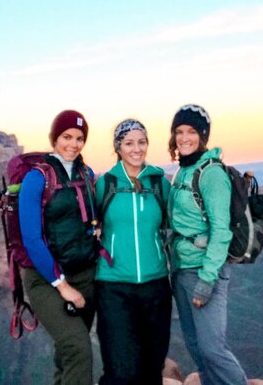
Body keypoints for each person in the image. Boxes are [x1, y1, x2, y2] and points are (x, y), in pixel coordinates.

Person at [167, 104, 248, 385]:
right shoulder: (183, 171)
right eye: (179, 131)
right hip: (181, 268)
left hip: (204, 269)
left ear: (203, 136)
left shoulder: (211, 173)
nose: (184, 137)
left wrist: (207, 278)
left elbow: (221, 230)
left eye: (191, 131)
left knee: (213, 349)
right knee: (195, 346)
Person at [19, 109, 99, 385]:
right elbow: (32, 239)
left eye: (79, 138)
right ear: (55, 138)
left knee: (67, 353)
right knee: (78, 348)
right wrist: (62, 285)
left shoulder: (86, 173)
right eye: (67, 136)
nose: (73, 144)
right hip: (47, 279)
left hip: (85, 274)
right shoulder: (36, 178)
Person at [95, 118, 172, 385]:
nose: (136, 149)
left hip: (156, 286)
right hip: (114, 287)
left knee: (152, 369)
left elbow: (174, 224)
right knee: (121, 371)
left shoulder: (160, 183)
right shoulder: (105, 184)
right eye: (129, 143)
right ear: (118, 147)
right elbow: (89, 224)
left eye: (142, 142)